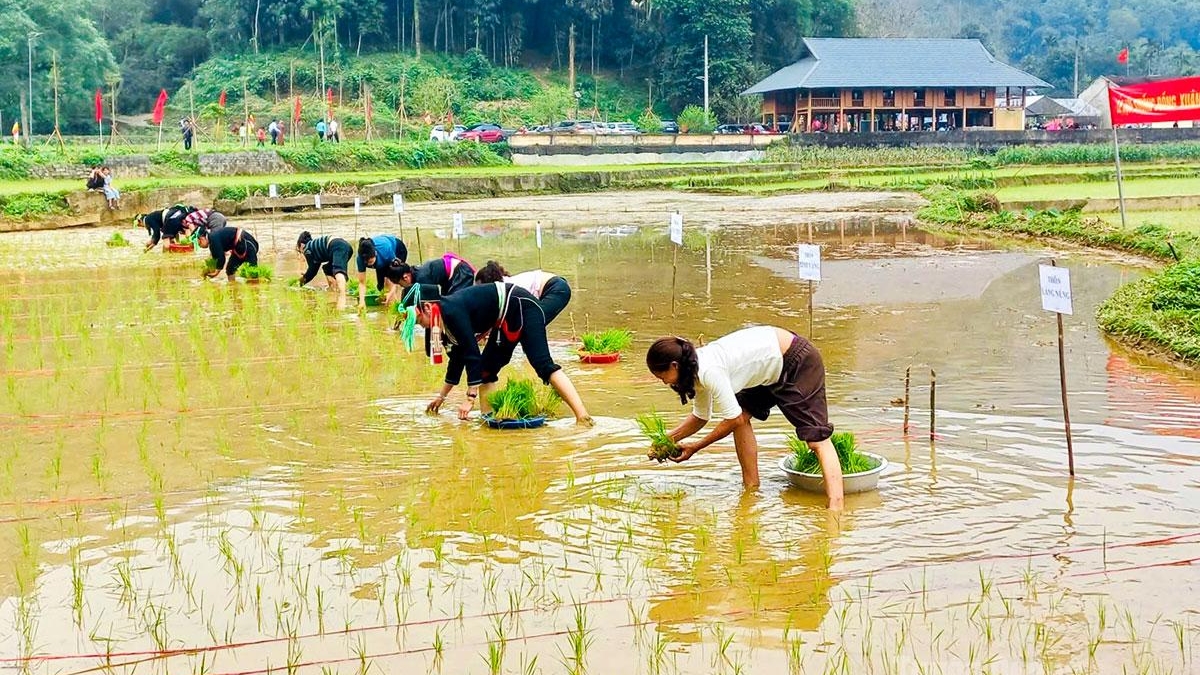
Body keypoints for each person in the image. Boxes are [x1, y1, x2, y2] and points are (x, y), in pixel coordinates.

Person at [644, 326, 844, 509]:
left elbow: (734, 420)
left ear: (674, 366)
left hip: (795, 360)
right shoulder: (693, 370)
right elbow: (700, 417)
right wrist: (665, 441)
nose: (662, 382)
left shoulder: (709, 370)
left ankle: (836, 507)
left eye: (661, 376)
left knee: (816, 439)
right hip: (768, 367)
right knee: (741, 410)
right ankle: (751, 488)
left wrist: (696, 446)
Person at [400, 283, 592, 425]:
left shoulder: (451, 311)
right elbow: (457, 360)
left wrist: (469, 399)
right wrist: (441, 397)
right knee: (485, 371)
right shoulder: (441, 323)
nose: (419, 325)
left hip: (520, 306)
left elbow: (472, 353)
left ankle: (582, 416)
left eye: (417, 319)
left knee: (543, 364)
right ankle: (489, 421)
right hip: (504, 318)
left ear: (426, 307)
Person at [474, 261, 572, 325]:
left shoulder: (507, 288)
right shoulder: (505, 285)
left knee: (534, 323)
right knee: (530, 323)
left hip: (556, 288)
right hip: (554, 286)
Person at [296, 231, 353, 310]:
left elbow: (312, 271)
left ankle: (342, 297)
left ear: (301, 245)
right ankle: (334, 289)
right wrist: (306, 275)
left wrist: (298, 283)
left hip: (337, 246)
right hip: (347, 247)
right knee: (327, 268)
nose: (301, 254)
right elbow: (314, 268)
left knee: (338, 271)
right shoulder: (314, 247)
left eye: (299, 251)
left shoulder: (307, 249)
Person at [355, 235, 409, 308]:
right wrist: (362, 302)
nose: (368, 264)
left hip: (397, 249)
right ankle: (387, 303)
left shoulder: (385, 250)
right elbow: (362, 282)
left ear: (375, 253)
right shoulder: (360, 259)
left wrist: (392, 292)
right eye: (366, 263)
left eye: (371, 261)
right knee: (381, 287)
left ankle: (395, 304)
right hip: (381, 259)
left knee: (389, 282)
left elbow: (396, 274)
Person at [389, 254, 475, 297]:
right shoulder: (414, 273)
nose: (402, 287)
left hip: (461, 273)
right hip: (448, 279)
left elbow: (432, 299)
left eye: (400, 284)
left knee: (456, 304)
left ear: (405, 277)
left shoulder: (422, 279)